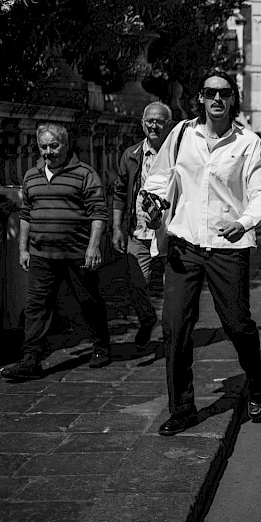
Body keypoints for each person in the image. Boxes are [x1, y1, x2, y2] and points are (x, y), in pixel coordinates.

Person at [140, 69, 261, 435]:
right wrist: (152, 202)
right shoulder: (182, 134)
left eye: (225, 93)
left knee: (236, 324)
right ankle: (182, 408)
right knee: (175, 327)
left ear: (234, 99)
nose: (217, 99)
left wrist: (245, 221)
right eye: (210, 92)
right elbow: (159, 176)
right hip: (184, 245)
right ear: (200, 97)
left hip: (226, 246)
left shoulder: (248, 143)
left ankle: (256, 379)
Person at [1, 123, 110, 379]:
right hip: (41, 254)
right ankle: (31, 359)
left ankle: (101, 346)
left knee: (88, 301)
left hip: (76, 252)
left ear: (66, 145)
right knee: (36, 307)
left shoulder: (85, 174)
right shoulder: (31, 175)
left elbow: (98, 212)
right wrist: (23, 248)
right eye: (43, 147)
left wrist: (93, 247)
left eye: (54, 146)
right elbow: (26, 213)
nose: (48, 152)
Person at [111, 101, 173, 347]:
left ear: (169, 125)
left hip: (171, 232)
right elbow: (118, 193)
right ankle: (147, 319)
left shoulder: (177, 155)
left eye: (159, 121)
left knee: (174, 287)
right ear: (142, 124)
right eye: (150, 121)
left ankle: (173, 332)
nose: (154, 125)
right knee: (136, 282)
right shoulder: (131, 155)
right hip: (139, 231)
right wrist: (116, 228)